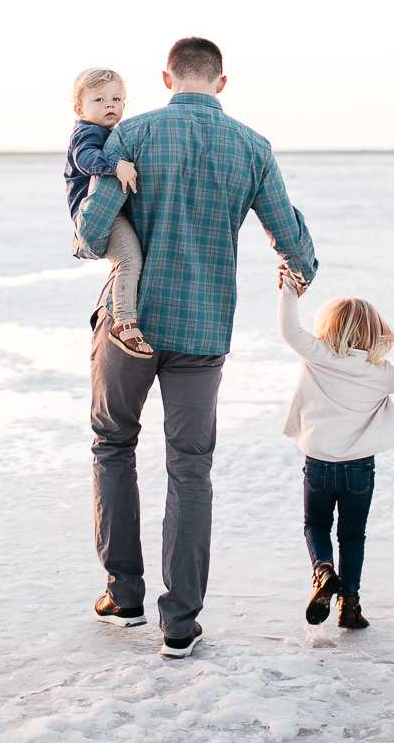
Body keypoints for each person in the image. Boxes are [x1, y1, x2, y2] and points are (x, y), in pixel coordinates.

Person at [76, 36, 318, 659]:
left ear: (166, 78)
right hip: (204, 327)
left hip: (129, 324)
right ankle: (179, 623)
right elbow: (292, 240)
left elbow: (94, 227)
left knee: (113, 444)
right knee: (190, 467)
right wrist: (299, 265)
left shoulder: (131, 136)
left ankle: (123, 594)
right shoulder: (252, 147)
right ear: (221, 83)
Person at [277, 269, 394, 630]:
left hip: (318, 464)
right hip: (359, 468)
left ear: (329, 328)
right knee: (353, 535)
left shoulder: (319, 355)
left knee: (315, 524)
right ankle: (350, 607)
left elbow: (289, 329)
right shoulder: (380, 372)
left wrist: (290, 291)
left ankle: (323, 569)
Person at [64, 68, 150, 357]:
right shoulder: (87, 132)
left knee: (129, 259)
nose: (110, 104)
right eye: (99, 100)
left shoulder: (112, 133)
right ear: (80, 109)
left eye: (116, 98)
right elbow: (84, 158)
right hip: (94, 213)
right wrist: (116, 165)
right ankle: (124, 323)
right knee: (128, 259)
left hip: (114, 210)